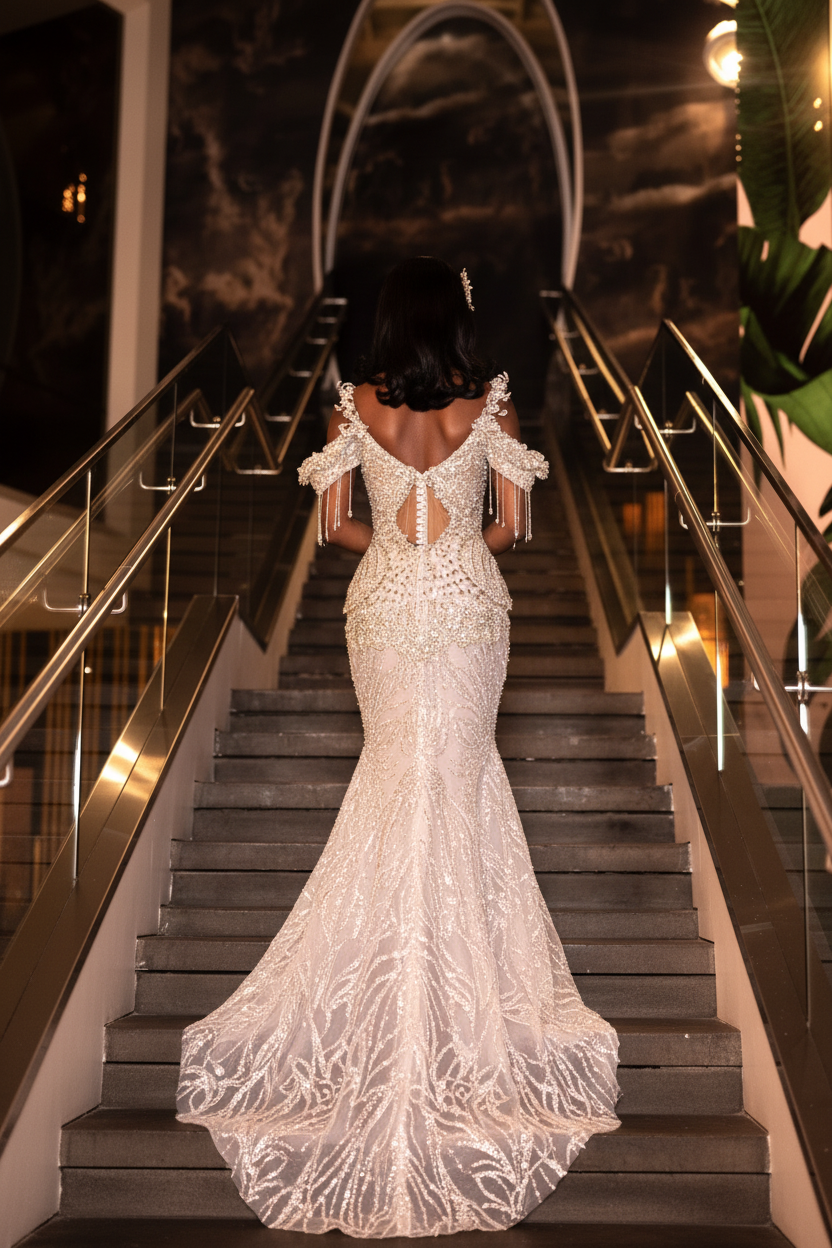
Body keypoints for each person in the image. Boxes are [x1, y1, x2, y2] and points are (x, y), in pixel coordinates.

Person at [176, 257, 620, 1237]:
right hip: (465, 611)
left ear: (389, 321)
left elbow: (336, 526)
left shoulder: (355, 405)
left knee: (394, 784)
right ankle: (466, 1024)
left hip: (382, 609)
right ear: (454, 320)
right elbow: (515, 523)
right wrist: (452, 538)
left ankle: (382, 1017)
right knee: (456, 789)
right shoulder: (488, 403)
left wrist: (395, 539)